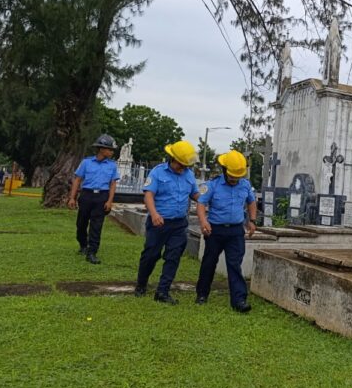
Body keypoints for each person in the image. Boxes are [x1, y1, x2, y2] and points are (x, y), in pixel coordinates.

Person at [134, 140, 200, 305]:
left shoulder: (189, 175)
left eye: (185, 165)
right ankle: (141, 284)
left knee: (173, 256)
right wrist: (154, 214)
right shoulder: (157, 172)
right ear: (172, 158)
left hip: (179, 224)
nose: (182, 167)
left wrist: (206, 202)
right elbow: (148, 195)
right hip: (158, 223)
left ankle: (162, 291)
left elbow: (195, 194)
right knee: (151, 255)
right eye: (180, 164)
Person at [195, 150, 257, 313]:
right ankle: (202, 294)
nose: (234, 179)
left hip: (236, 231)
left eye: (237, 176)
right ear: (224, 170)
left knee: (234, 264)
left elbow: (251, 202)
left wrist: (252, 220)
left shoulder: (245, 185)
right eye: (232, 175)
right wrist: (203, 221)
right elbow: (201, 204)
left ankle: (239, 300)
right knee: (209, 262)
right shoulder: (212, 185)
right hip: (215, 231)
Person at [68, 134, 120, 264]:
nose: (112, 152)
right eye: (110, 149)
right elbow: (77, 180)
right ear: (102, 149)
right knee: (81, 224)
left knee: (96, 226)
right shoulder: (86, 162)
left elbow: (113, 184)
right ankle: (83, 245)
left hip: (102, 196)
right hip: (86, 195)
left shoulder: (112, 165)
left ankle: (92, 252)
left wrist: (109, 201)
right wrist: (72, 198)